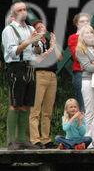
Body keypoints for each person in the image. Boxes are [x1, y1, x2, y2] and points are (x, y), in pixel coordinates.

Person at [2, 2, 42, 150]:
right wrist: (28, 42)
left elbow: (37, 52)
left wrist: (37, 43)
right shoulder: (9, 30)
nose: (23, 12)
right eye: (20, 10)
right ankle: (12, 141)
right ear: (13, 15)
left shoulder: (31, 28)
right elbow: (13, 52)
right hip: (16, 67)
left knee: (26, 104)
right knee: (15, 103)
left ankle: (22, 139)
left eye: (25, 9)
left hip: (30, 67)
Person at [29, 20, 62, 149]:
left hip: (52, 75)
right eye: (38, 27)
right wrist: (50, 48)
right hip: (39, 74)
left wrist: (55, 44)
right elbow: (39, 56)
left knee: (47, 110)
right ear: (35, 31)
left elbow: (60, 58)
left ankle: (45, 139)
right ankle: (35, 139)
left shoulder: (50, 42)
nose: (41, 28)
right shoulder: (35, 43)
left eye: (42, 26)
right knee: (35, 109)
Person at [67, 12, 91, 113]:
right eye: (82, 21)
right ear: (77, 24)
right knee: (83, 106)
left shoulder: (93, 36)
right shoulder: (73, 37)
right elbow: (77, 56)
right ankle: (83, 129)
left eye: (87, 21)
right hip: (81, 73)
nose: (85, 23)